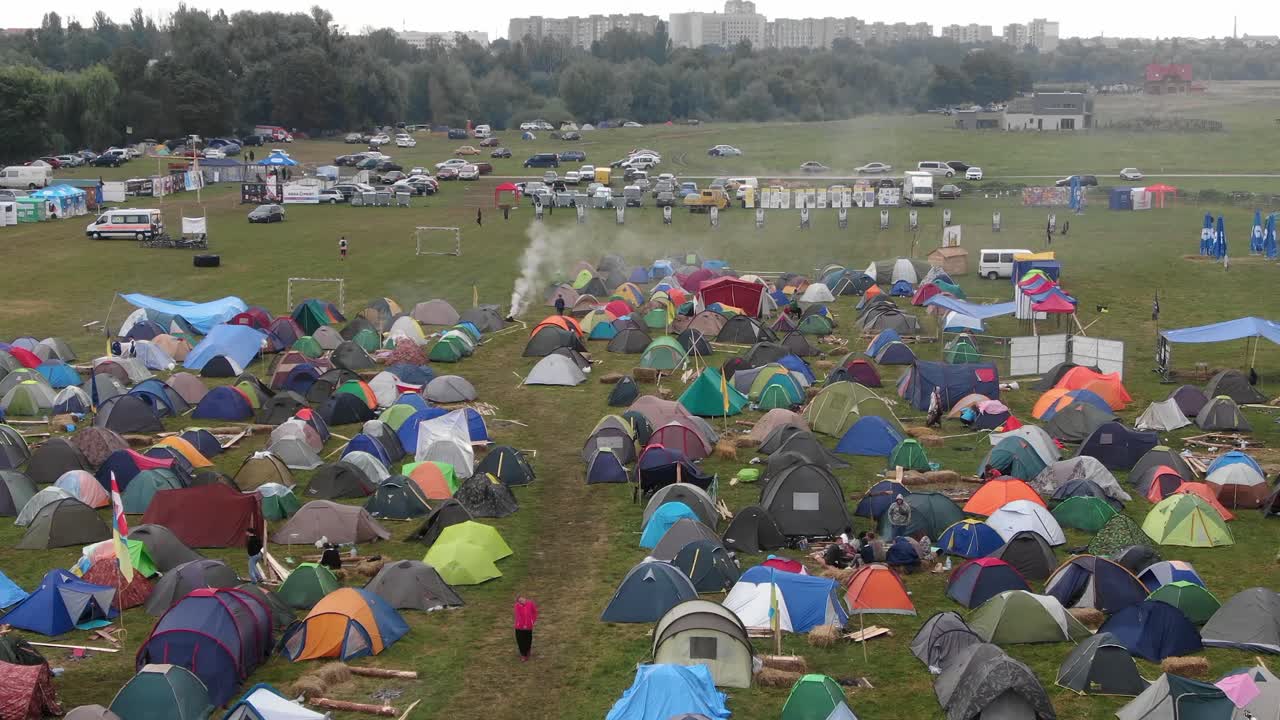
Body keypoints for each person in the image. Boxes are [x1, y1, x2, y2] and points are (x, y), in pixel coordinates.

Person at [513, 595, 539, 661]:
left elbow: (534, 612)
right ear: (518, 602)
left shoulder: (530, 603)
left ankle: (528, 650)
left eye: (523, 599)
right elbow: (519, 616)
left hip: (528, 626)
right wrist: (523, 624)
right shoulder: (517, 606)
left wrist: (533, 621)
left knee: (528, 639)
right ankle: (523, 655)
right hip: (519, 627)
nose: (523, 601)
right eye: (520, 601)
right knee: (520, 641)